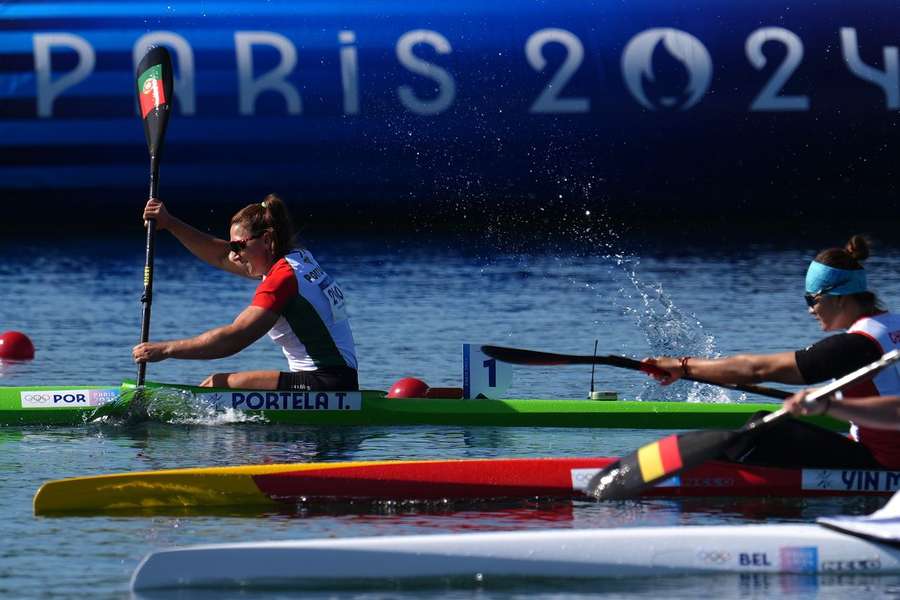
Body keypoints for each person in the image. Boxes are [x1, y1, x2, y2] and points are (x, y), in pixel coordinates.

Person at [643, 235, 900, 469]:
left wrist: (683, 366)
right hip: (880, 451)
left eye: (812, 300)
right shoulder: (893, 325)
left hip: (881, 464)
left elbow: (756, 369)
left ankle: (711, 478)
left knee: (764, 427)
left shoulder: (855, 345)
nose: (810, 310)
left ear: (840, 298)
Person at [131, 194, 358, 391]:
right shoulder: (298, 258)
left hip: (326, 384)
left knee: (216, 385)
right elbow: (220, 255)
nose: (234, 255)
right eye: (233, 247)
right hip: (337, 380)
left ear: (267, 240)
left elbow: (233, 339)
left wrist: (166, 349)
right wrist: (170, 223)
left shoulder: (282, 280)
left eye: (239, 246)